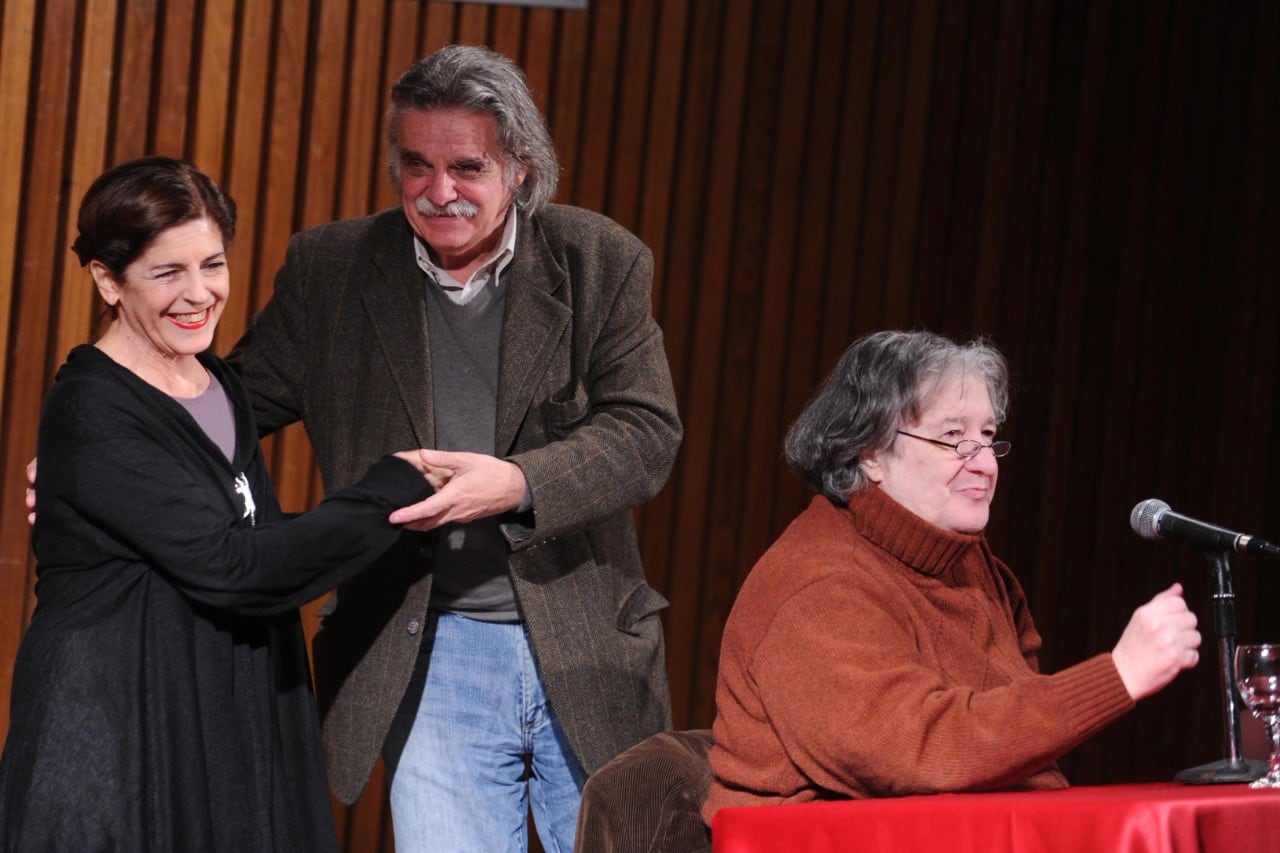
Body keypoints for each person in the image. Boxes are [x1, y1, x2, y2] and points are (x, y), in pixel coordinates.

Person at [223, 45, 682, 852]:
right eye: (416, 166)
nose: (439, 193)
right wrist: (107, 451)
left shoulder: (599, 260)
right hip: (427, 652)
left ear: (521, 169)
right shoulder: (330, 270)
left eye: (467, 167)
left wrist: (517, 482)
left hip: (587, 645)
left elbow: (646, 432)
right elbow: (229, 406)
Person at [0, 157, 446, 851]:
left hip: (216, 714)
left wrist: (399, 516)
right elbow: (235, 563)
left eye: (212, 264)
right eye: (166, 272)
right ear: (107, 280)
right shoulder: (90, 406)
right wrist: (391, 491)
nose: (199, 293)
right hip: (116, 736)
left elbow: (252, 536)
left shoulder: (218, 381)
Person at [703, 329, 1200, 820]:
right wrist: (1118, 675)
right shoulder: (816, 585)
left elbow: (1029, 767)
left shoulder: (973, 565)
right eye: (952, 437)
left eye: (987, 436)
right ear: (871, 453)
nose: (984, 462)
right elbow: (921, 749)